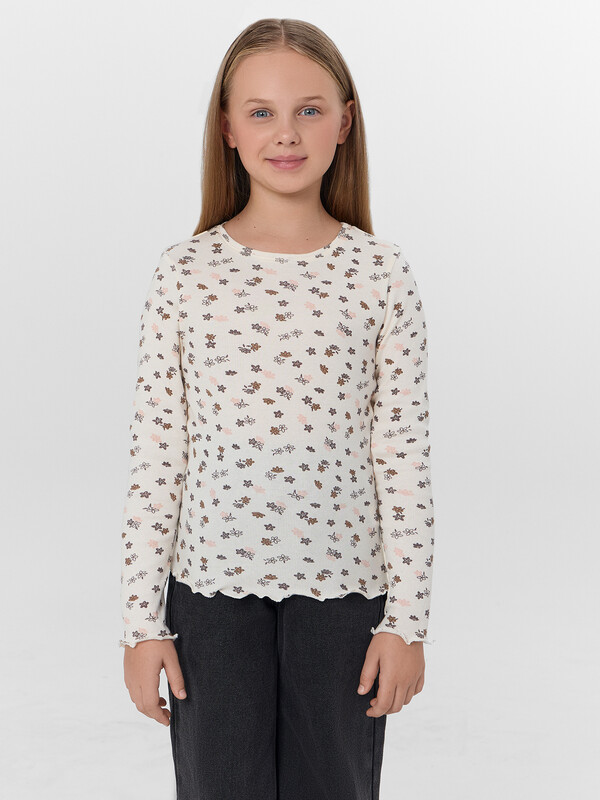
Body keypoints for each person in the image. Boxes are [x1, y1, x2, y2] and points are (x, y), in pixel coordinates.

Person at [120, 17, 436, 800]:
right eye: (260, 111)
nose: (285, 133)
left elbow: (402, 456)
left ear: (344, 122)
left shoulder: (381, 274)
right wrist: (141, 624)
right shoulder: (185, 273)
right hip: (210, 597)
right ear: (227, 127)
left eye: (309, 110)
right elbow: (158, 453)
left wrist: (406, 622)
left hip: (346, 596)